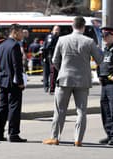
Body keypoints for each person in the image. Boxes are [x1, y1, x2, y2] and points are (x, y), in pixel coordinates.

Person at [42, 16, 103, 147]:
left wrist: (62, 69)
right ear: (84, 27)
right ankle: (78, 139)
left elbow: (54, 60)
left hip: (64, 79)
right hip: (83, 80)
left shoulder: (62, 40)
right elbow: (99, 60)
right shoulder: (89, 41)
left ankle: (55, 138)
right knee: (81, 111)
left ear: (72, 26)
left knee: (60, 110)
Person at [0, 24, 27, 142]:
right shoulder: (15, 45)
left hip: (2, 80)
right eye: (21, 32)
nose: (22, 34)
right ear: (15, 32)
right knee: (14, 107)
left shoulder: (2, 45)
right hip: (13, 82)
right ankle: (13, 134)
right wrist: (20, 82)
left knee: (2, 107)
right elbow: (16, 66)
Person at [41, 25, 60, 94]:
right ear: (52, 30)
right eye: (56, 29)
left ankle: (50, 86)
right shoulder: (51, 36)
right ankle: (49, 87)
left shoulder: (58, 37)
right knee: (50, 72)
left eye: (58, 29)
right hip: (49, 57)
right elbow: (47, 47)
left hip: (52, 57)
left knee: (52, 72)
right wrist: (44, 57)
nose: (57, 31)